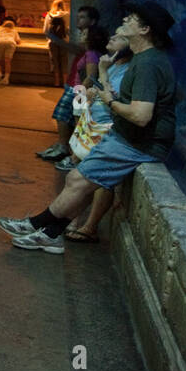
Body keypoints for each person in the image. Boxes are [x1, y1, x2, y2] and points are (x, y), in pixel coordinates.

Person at [0, 2, 177, 253]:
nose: (125, 19)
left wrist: (110, 102)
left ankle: (36, 224)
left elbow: (140, 115)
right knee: (78, 181)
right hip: (128, 137)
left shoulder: (147, 64)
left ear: (145, 29)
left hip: (138, 143)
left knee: (76, 180)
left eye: (133, 18)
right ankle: (50, 233)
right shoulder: (144, 59)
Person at [57, 32, 135, 241]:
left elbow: (110, 95)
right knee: (83, 176)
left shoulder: (125, 68)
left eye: (119, 36)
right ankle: (72, 220)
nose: (113, 36)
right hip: (94, 123)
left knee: (99, 181)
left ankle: (88, 225)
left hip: (106, 127)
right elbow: (98, 88)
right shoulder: (113, 64)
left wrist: (95, 90)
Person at [36, 6, 101, 160]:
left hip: (78, 87)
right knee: (71, 117)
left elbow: (89, 70)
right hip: (76, 84)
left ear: (93, 21)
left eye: (83, 17)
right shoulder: (88, 43)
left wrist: (55, 38)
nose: (79, 21)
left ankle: (68, 150)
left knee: (64, 115)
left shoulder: (91, 47)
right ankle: (69, 149)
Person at [43, 0, 69, 86]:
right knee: (64, 61)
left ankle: (57, 82)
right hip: (64, 42)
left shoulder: (49, 15)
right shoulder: (68, 15)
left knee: (55, 61)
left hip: (53, 41)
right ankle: (65, 82)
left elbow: (45, 30)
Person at [0, 19, 20, 84]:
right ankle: (6, 78)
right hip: (10, 43)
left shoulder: (0, 30)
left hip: (1, 43)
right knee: (7, 61)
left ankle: (0, 75)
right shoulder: (14, 31)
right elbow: (18, 41)